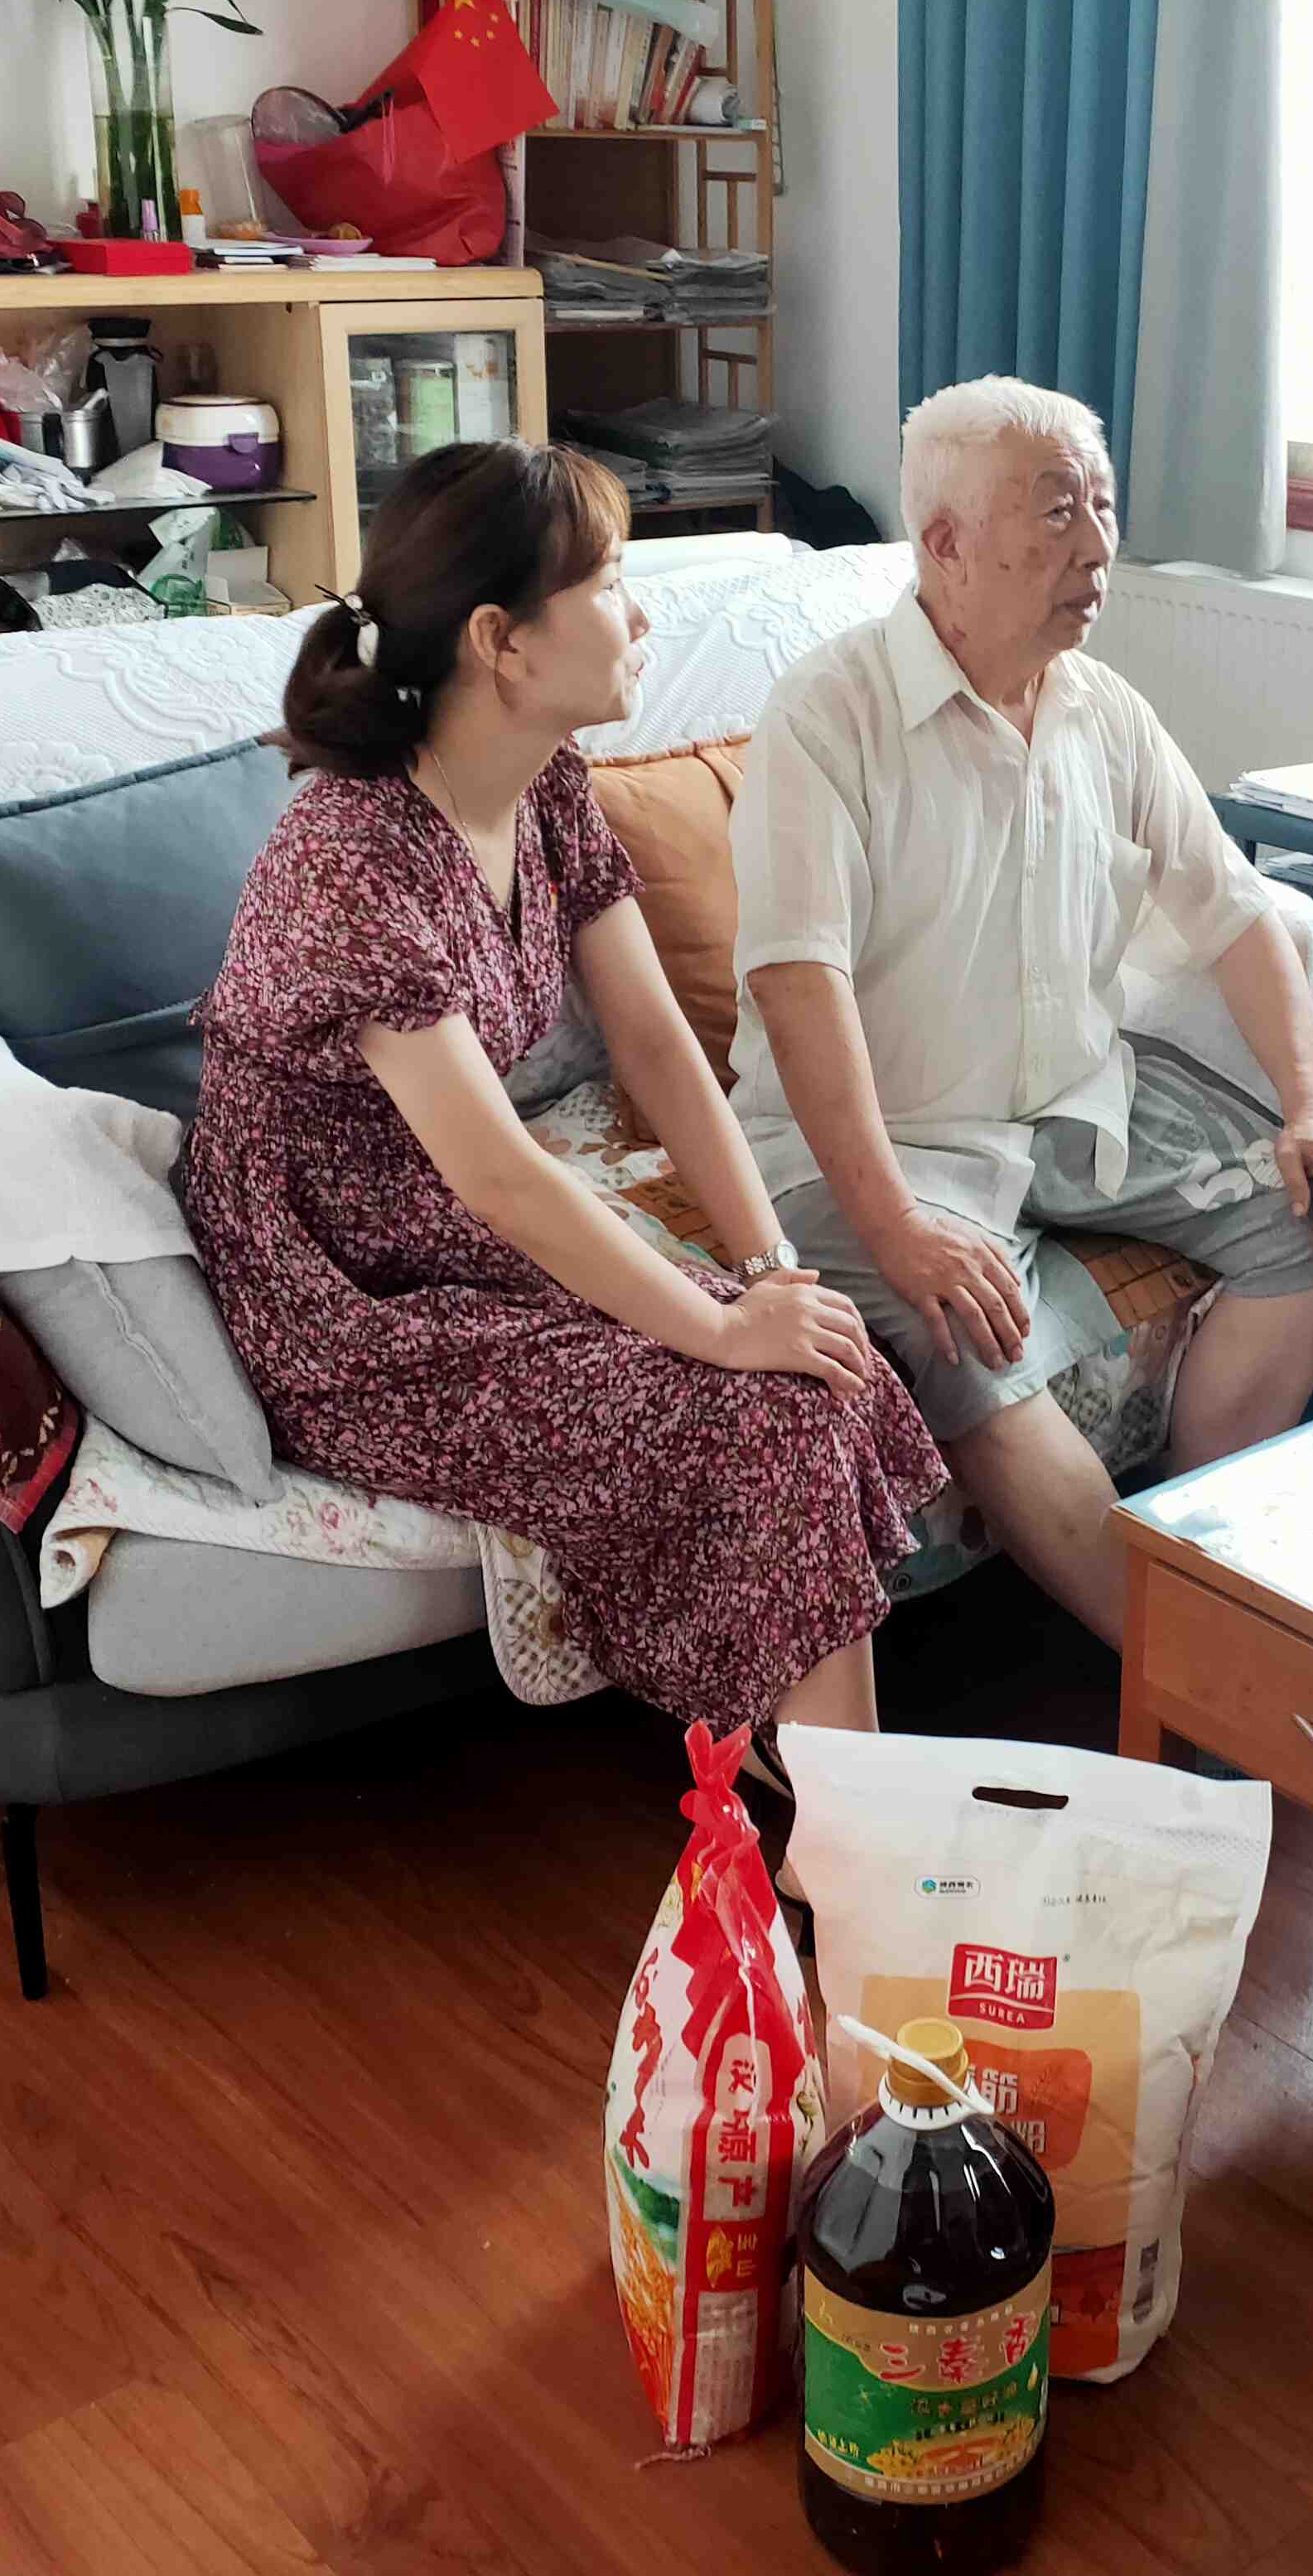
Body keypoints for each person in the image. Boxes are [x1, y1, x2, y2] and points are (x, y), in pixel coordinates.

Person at [183, 440, 945, 1744]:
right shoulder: (349, 856)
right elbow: (498, 1173)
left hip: (456, 1239)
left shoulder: (545, 787)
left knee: (824, 1370)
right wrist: (719, 1332)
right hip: (348, 1301)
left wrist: (767, 1274)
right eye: (609, 585)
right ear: (502, 642)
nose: (642, 618)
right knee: (756, 1410)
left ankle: (814, 1777)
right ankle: (837, 1808)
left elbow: (657, 1046)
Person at [730, 375, 1313, 1648]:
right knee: (965, 1331)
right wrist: (895, 1227)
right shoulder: (829, 714)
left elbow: (1237, 915)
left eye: (1102, 508)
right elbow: (797, 985)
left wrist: (1310, 1107)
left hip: (1076, 1106)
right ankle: (1182, 1672)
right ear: (945, 543)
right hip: (885, 1140)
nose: (1094, 548)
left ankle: (1199, 1555)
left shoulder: (1105, 711)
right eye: (1054, 513)